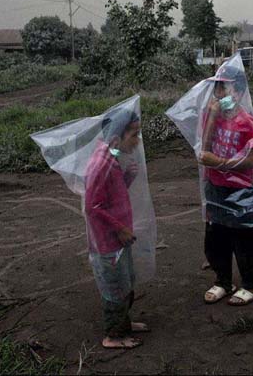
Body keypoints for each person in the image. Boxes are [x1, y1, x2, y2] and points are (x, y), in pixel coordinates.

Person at [197, 63, 253, 306]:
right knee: (216, 236)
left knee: (243, 236)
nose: (220, 95)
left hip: (240, 189)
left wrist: (223, 162)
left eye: (225, 89)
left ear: (238, 92)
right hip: (215, 185)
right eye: (217, 90)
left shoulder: (247, 122)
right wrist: (213, 116)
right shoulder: (210, 116)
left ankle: (252, 284)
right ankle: (223, 280)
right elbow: (203, 151)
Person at [84, 107, 150, 349]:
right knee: (115, 289)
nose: (137, 141)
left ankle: (124, 322)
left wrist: (127, 178)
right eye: (134, 135)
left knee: (126, 282)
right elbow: (92, 206)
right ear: (116, 138)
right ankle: (114, 335)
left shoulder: (110, 158)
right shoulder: (101, 163)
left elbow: (110, 195)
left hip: (118, 239)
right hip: (108, 243)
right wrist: (120, 229)